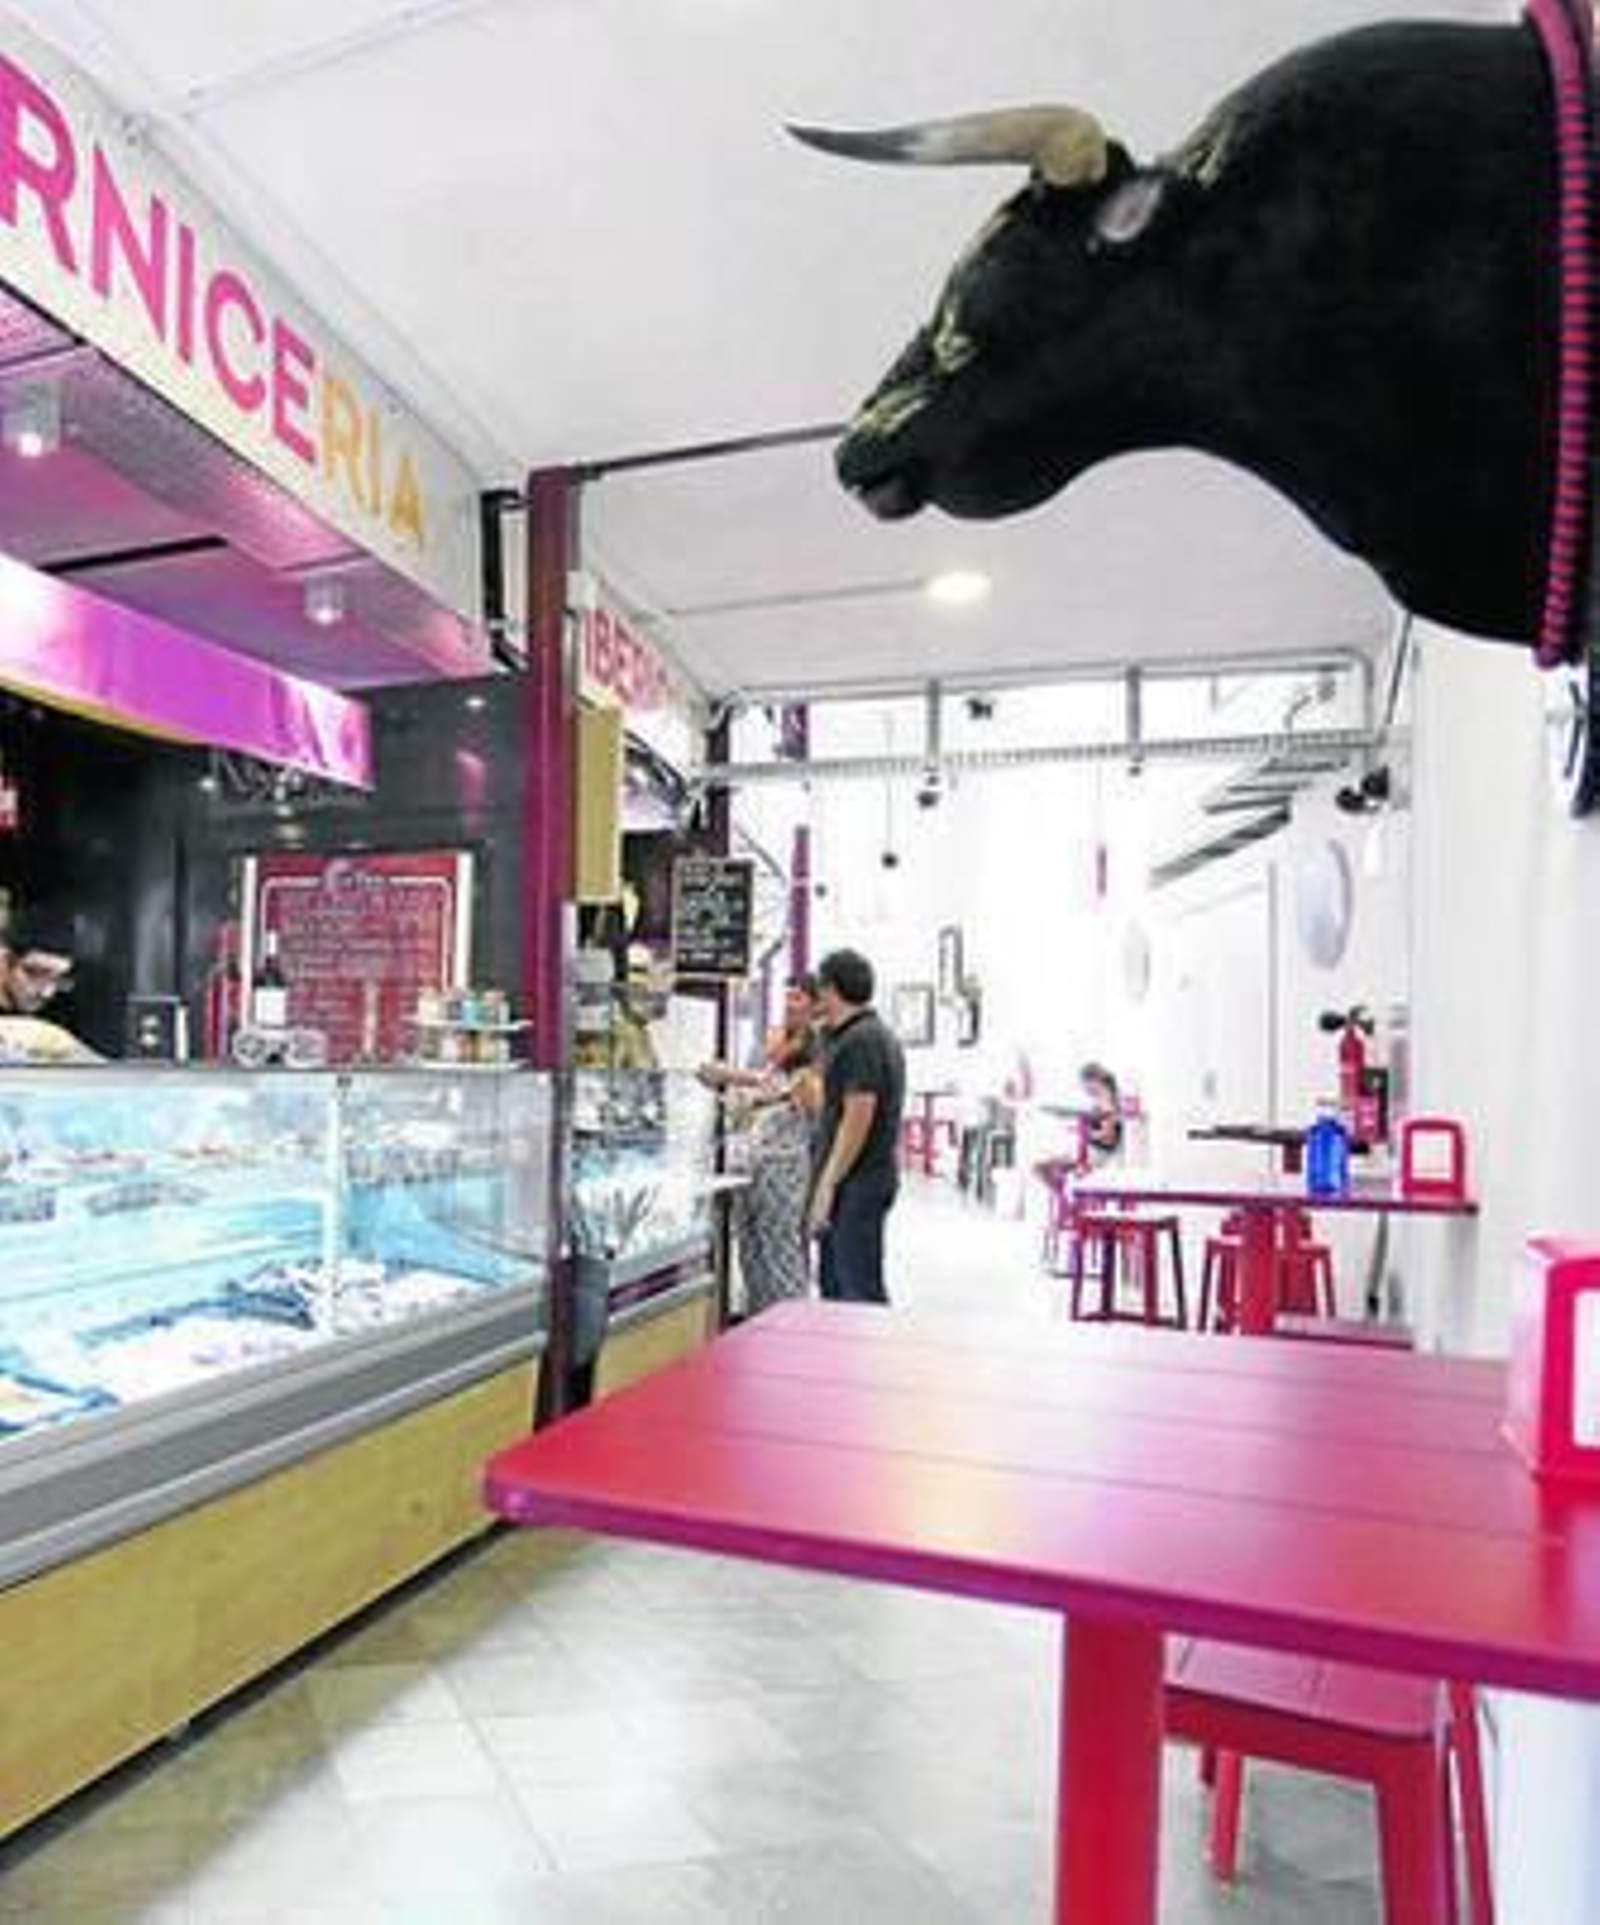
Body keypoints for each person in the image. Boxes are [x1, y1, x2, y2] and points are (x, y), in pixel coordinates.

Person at [808, 947, 905, 1305]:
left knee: (859, 1289)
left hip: (859, 1183)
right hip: (852, 1180)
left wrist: (827, 1186)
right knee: (836, 1285)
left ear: (832, 989)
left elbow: (858, 1117)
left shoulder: (863, 1040)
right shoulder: (846, 1037)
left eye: (819, 987)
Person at [727, 1026, 822, 1316]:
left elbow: (816, 1107)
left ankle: (794, 1325)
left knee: (781, 1255)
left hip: (781, 1178)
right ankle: (760, 1320)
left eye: (779, 1033)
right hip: (751, 1174)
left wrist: (771, 1097)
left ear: (797, 1044)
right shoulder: (768, 1074)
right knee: (753, 1256)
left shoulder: (805, 1078)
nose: (770, 1036)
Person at [0, 910, 98, 1062]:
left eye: (59, 979)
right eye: (37, 974)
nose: (47, 993)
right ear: (5, 961)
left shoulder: (65, 1010)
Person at [697, 972, 818, 1095]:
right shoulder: (771, 1037)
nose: (788, 1005)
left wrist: (731, 1076)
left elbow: (787, 1087)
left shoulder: (815, 1045)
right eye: (787, 997)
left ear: (813, 1005)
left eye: (797, 998)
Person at [1078, 1060, 1123, 1162]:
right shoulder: (1104, 1100)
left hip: (1101, 1155)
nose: (1084, 1088)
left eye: (1085, 1083)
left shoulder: (1106, 1103)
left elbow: (1109, 1137)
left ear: (1095, 1081)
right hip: (1099, 1153)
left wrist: (1084, 1133)